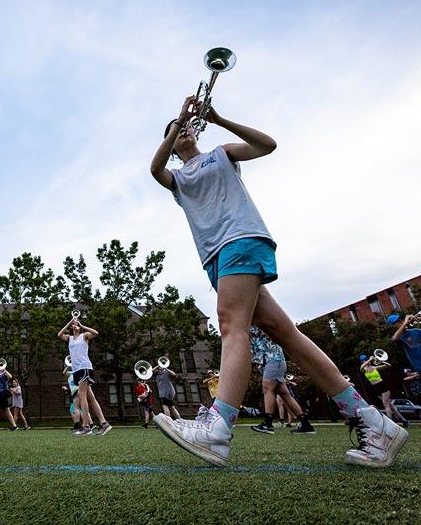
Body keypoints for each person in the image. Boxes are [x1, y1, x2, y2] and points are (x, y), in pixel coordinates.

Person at [148, 96, 408, 467]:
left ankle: (218, 428)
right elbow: (154, 168)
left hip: (240, 238)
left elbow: (265, 145)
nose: (185, 132)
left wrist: (218, 117)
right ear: (173, 142)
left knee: (230, 324)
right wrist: (175, 123)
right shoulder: (177, 179)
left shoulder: (220, 154)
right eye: (177, 133)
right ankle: (372, 420)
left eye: (188, 128)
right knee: (286, 334)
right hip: (216, 258)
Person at [249, 326, 315, 434]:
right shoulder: (258, 324)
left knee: (267, 389)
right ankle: (305, 424)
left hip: (272, 360)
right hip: (277, 360)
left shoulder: (255, 324)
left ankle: (268, 424)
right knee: (284, 394)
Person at [57, 314, 112, 436]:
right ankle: (104, 424)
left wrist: (82, 325)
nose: (75, 325)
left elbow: (96, 333)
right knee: (91, 398)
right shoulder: (70, 338)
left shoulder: (84, 336)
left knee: (82, 396)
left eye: (77, 323)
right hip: (76, 370)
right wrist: (70, 321)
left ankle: (86, 426)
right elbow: (59, 335)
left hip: (85, 367)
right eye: (73, 324)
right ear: (71, 326)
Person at [360, 354, 408, 427]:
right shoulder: (364, 369)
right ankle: (404, 420)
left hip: (382, 385)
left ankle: (391, 423)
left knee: (386, 405)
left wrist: (381, 361)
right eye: (365, 359)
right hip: (375, 388)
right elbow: (362, 367)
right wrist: (370, 359)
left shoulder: (375, 367)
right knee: (390, 405)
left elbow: (389, 365)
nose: (367, 360)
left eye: (367, 359)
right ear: (362, 361)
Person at [63, 367, 85, 431]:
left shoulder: (77, 372)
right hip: (75, 391)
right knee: (79, 409)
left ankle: (82, 425)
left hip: (77, 391)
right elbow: (64, 372)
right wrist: (68, 366)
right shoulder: (71, 373)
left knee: (77, 409)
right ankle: (82, 425)